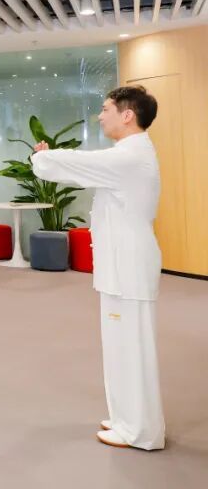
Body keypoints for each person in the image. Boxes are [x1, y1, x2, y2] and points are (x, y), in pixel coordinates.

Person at [32, 85, 164, 451]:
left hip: (129, 266)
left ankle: (141, 431)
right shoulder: (130, 153)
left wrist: (43, 158)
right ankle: (126, 419)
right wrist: (47, 160)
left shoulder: (129, 156)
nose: (100, 115)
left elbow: (81, 164)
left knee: (131, 349)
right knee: (121, 346)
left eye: (106, 109)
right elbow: (81, 170)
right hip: (123, 264)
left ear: (128, 114)